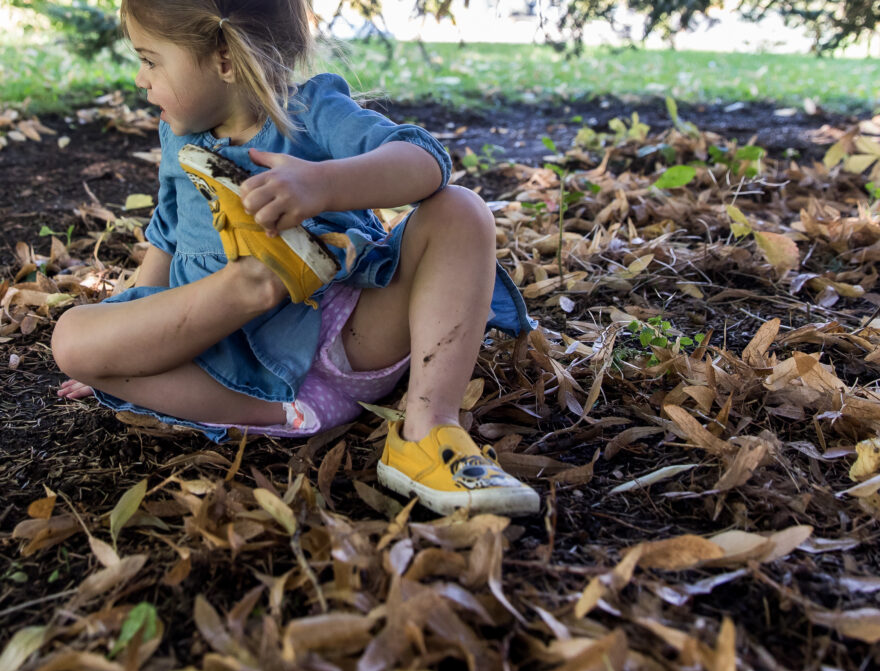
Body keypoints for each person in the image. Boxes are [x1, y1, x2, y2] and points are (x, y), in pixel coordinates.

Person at [51, 0, 539, 516]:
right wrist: (128, 339)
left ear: (224, 58)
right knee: (74, 339)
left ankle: (427, 428)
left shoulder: (310, 112)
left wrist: (321, 185)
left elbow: (425, 160)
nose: (139, 78)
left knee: (461, 209)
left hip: (350, 334)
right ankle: (255, 284)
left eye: (151, 60)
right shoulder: (178, 136)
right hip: (234, 376)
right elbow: (167, 239)